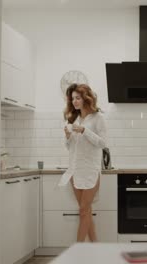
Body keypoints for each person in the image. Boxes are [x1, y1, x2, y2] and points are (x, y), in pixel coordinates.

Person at [59, 83, 107, 242]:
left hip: (90, 170)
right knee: (85, 211)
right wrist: (67, 137)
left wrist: (84, 130)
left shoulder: (98, 118)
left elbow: (102, 143)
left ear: (86, 98)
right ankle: (96, 248)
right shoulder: (74, 119)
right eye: (72, 98)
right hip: (75, 170)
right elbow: (71, 147)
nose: (74, 101)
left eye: (77, 98)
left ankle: (77, 252)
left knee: (83, 210)